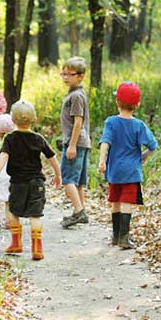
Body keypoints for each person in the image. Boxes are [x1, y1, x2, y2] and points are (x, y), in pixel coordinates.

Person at [0, 100, 61, 261]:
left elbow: (3, 156)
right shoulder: (38, 138)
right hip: (37, 183)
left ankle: (16, 243)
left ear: (13, 120)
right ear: (33, 118)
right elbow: (52, 157)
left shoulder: (10, 138)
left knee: (14, 212)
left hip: (18, 184)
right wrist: (58, 175)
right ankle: (37, 248)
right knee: (35, 215)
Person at [98, 81, 158, 249]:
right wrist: (144, 156)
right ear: (137, 104)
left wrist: (102, 160)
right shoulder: (139, 125)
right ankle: (124, 237)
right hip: (131, 172)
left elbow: (105, 142)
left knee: (115, 201)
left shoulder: (110, 122)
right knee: (126, 203)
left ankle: (116, 236)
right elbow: (153, 145)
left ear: (117, 102)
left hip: (114, 171)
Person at [58, 56, 92, 229]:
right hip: (80, 142)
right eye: (63, 74)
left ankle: (79, 212)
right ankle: (81, 210)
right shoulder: (74, 93)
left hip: (76, 143)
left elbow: (78, 121)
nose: (65, 77)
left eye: (69, 74)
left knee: (67, 179)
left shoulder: (77, 96)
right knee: (77, 181)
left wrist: (71, 145)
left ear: (80, 76)